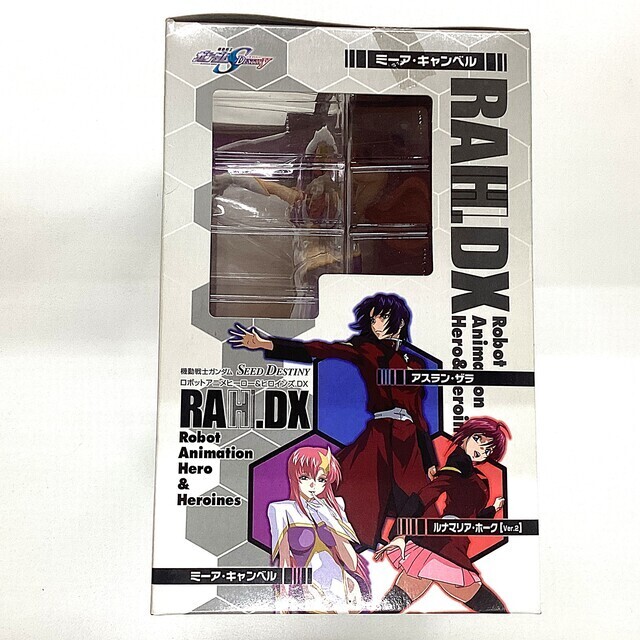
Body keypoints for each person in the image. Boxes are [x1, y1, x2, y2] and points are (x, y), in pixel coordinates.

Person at [229, 293, 438, 549]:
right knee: (356, 486)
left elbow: (419, 415)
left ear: (399, 321)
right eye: (373, 319)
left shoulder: (414, 363)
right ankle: (335, 540)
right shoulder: (366, 349)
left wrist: (429, 459)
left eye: (382, 317)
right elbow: (321, 349)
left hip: (409, 439)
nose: (376, 324)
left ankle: (409, 545)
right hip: (381, 433)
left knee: (417, 495)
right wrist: (268, 344)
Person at [373, 416, 510, 613]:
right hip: (444, 542)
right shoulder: (457, 468)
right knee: (492, 607)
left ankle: (372, 622)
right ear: (466, 436)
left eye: (488, 449)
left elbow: (472, 518)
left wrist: (492, 509)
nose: (481, 450)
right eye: (478, 439)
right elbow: (425, 496)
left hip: (452, 540)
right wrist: (401, 533)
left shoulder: (473, 474)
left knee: (404, 592)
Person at [268, 446, 369, 612]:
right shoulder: (281, 510)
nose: (313, 485)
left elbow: (351, 563)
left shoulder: (336, 506)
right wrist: (283, 600)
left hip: (346, 586)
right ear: (294, 477)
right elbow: (284, 561)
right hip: (312, 588)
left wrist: (329, 519)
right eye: (305, 477)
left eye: (321, 479)